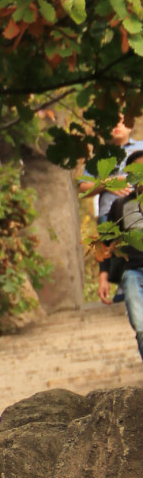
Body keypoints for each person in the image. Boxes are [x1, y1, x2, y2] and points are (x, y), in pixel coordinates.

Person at [94, 114, 143, 363]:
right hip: (133, 272)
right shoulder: (121, 206)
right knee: (141, 327)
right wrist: (104, 276)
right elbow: (107, 242)